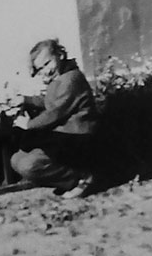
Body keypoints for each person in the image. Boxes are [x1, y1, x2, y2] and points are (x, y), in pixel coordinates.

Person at [11, 38, 100, 198]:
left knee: (28, 165)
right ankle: (68, 180)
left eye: (47, 63)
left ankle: (81, 178)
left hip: (76, 135)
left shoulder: (71, 79)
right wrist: (26, 100)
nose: (45, 70)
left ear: (60, 55)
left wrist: (29, 124)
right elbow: (50, 102)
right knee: (17, 159)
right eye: (40, 68)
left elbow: (55, 112)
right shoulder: (60, 78)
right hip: (62, 133)